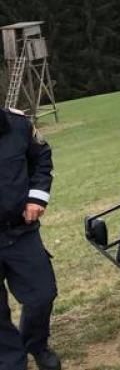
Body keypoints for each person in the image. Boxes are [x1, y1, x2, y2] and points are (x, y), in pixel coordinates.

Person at [0, 108, 58, 370]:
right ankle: (11, 361)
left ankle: (35, 344)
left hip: (19, 231)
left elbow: (41, 158)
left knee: (42, 294)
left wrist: (36, 197)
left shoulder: (17, 125)